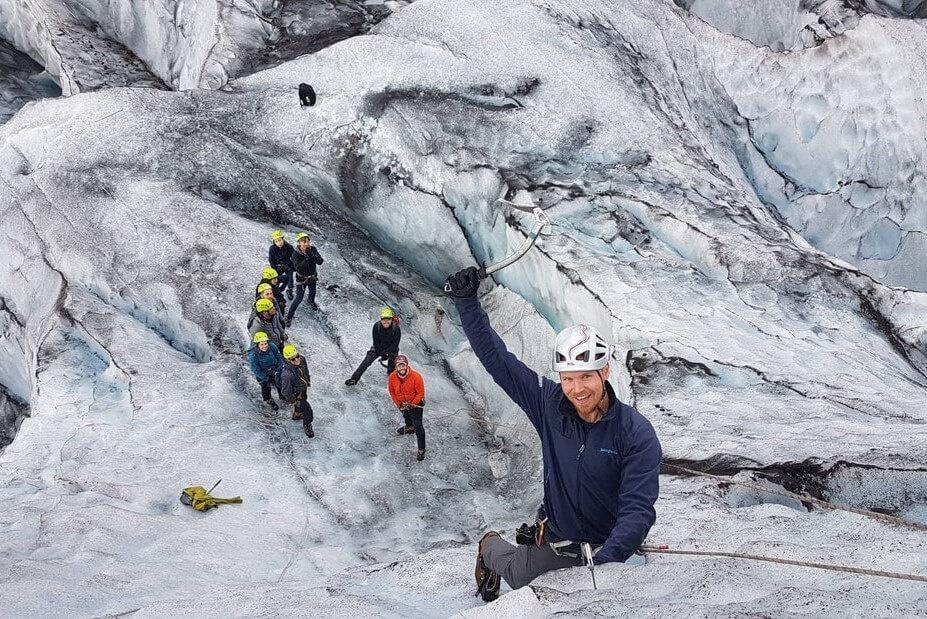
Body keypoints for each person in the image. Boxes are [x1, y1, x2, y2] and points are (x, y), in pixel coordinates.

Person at [444, 267, 662, 602]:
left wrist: (608, 561)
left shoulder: (635, 433)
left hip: (606, 545)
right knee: (519, 576)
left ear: (605, 371)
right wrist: (466, 303)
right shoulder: (549, 404)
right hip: (556, 538)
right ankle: (489, 545)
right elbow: (498, 361)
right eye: (568, 378)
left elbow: (638, 508)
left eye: (586, 377)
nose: (577, 389)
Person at [344, 307, 401, 386]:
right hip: (378, 348)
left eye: (388, 319)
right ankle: (354, 379)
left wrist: (386, 353)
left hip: (391, 348)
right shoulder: (376, 326)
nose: (386, 321)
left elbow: (395, 345)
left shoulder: (396, 329)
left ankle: (391, 375)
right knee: (366, 362)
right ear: (381, 319)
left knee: (392, 362)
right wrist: (382, 354)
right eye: (384, 319)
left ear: (391, 319)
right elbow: (376, 342)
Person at [387, 354, 426, 461]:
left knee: (419, 427)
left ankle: (421, 449)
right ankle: (409, 428)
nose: (401, 368)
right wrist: (399, 404)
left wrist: (412, 404)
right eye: (399, 366)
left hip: (416, 404)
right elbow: (392, 391)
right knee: (406, 417)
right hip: (403, 404)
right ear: (396, 367)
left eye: (403, 365)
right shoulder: (392, 377)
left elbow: (420, 393)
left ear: (407, 365)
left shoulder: (416, 377)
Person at [285, 232, 324, 326]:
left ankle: (311, 301)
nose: (306, 244)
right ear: (299, 243)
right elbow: (298, 268)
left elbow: (320, 261)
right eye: (303, 242)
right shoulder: (295, 254)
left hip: (312, 276)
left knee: (312, 291)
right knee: (299, 298)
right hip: (301, 278)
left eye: (307, 241)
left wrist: (311, 255)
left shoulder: (313, 249)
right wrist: (307, 258)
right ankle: (289, 317)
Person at [279, 343, 314, 438]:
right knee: (308, 410)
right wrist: (293, 399)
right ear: (287, 360)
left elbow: (305, 370)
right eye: (293, 359)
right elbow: (286, 390)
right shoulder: (287, 374)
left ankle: (297, 415)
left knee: (303, 400)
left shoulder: (302, 359)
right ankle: (307, 424)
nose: (297, 360)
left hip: (303, 387)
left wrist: (307, 380)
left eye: (297, 356)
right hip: (296, 393)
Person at [247, 331, 283, 411]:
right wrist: (266, 378)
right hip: (262, 374)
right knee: (265, 387)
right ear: (257, 345)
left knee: (279, 382)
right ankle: (268, 399)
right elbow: (255, 369)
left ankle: (282, 395)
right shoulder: (253, 355)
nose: (264, 346)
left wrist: (280, 370)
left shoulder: (272, 346)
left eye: (265, 343)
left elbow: (279, 358)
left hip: (274, 369)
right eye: (262, 344)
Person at [269, 230, 295, 300]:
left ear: (283, 239)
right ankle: (275, 290)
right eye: (276, 241)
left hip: (287, 264)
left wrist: (294, 267)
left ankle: (289, 290)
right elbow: (271, 260)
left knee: (290, 278)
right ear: (274, 242)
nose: (279, 243)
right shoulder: (272, 248)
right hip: (278, 266)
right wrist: (274, 269)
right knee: (276, 279)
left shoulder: (289, 247)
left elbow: (294, 257)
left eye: (280, 240)